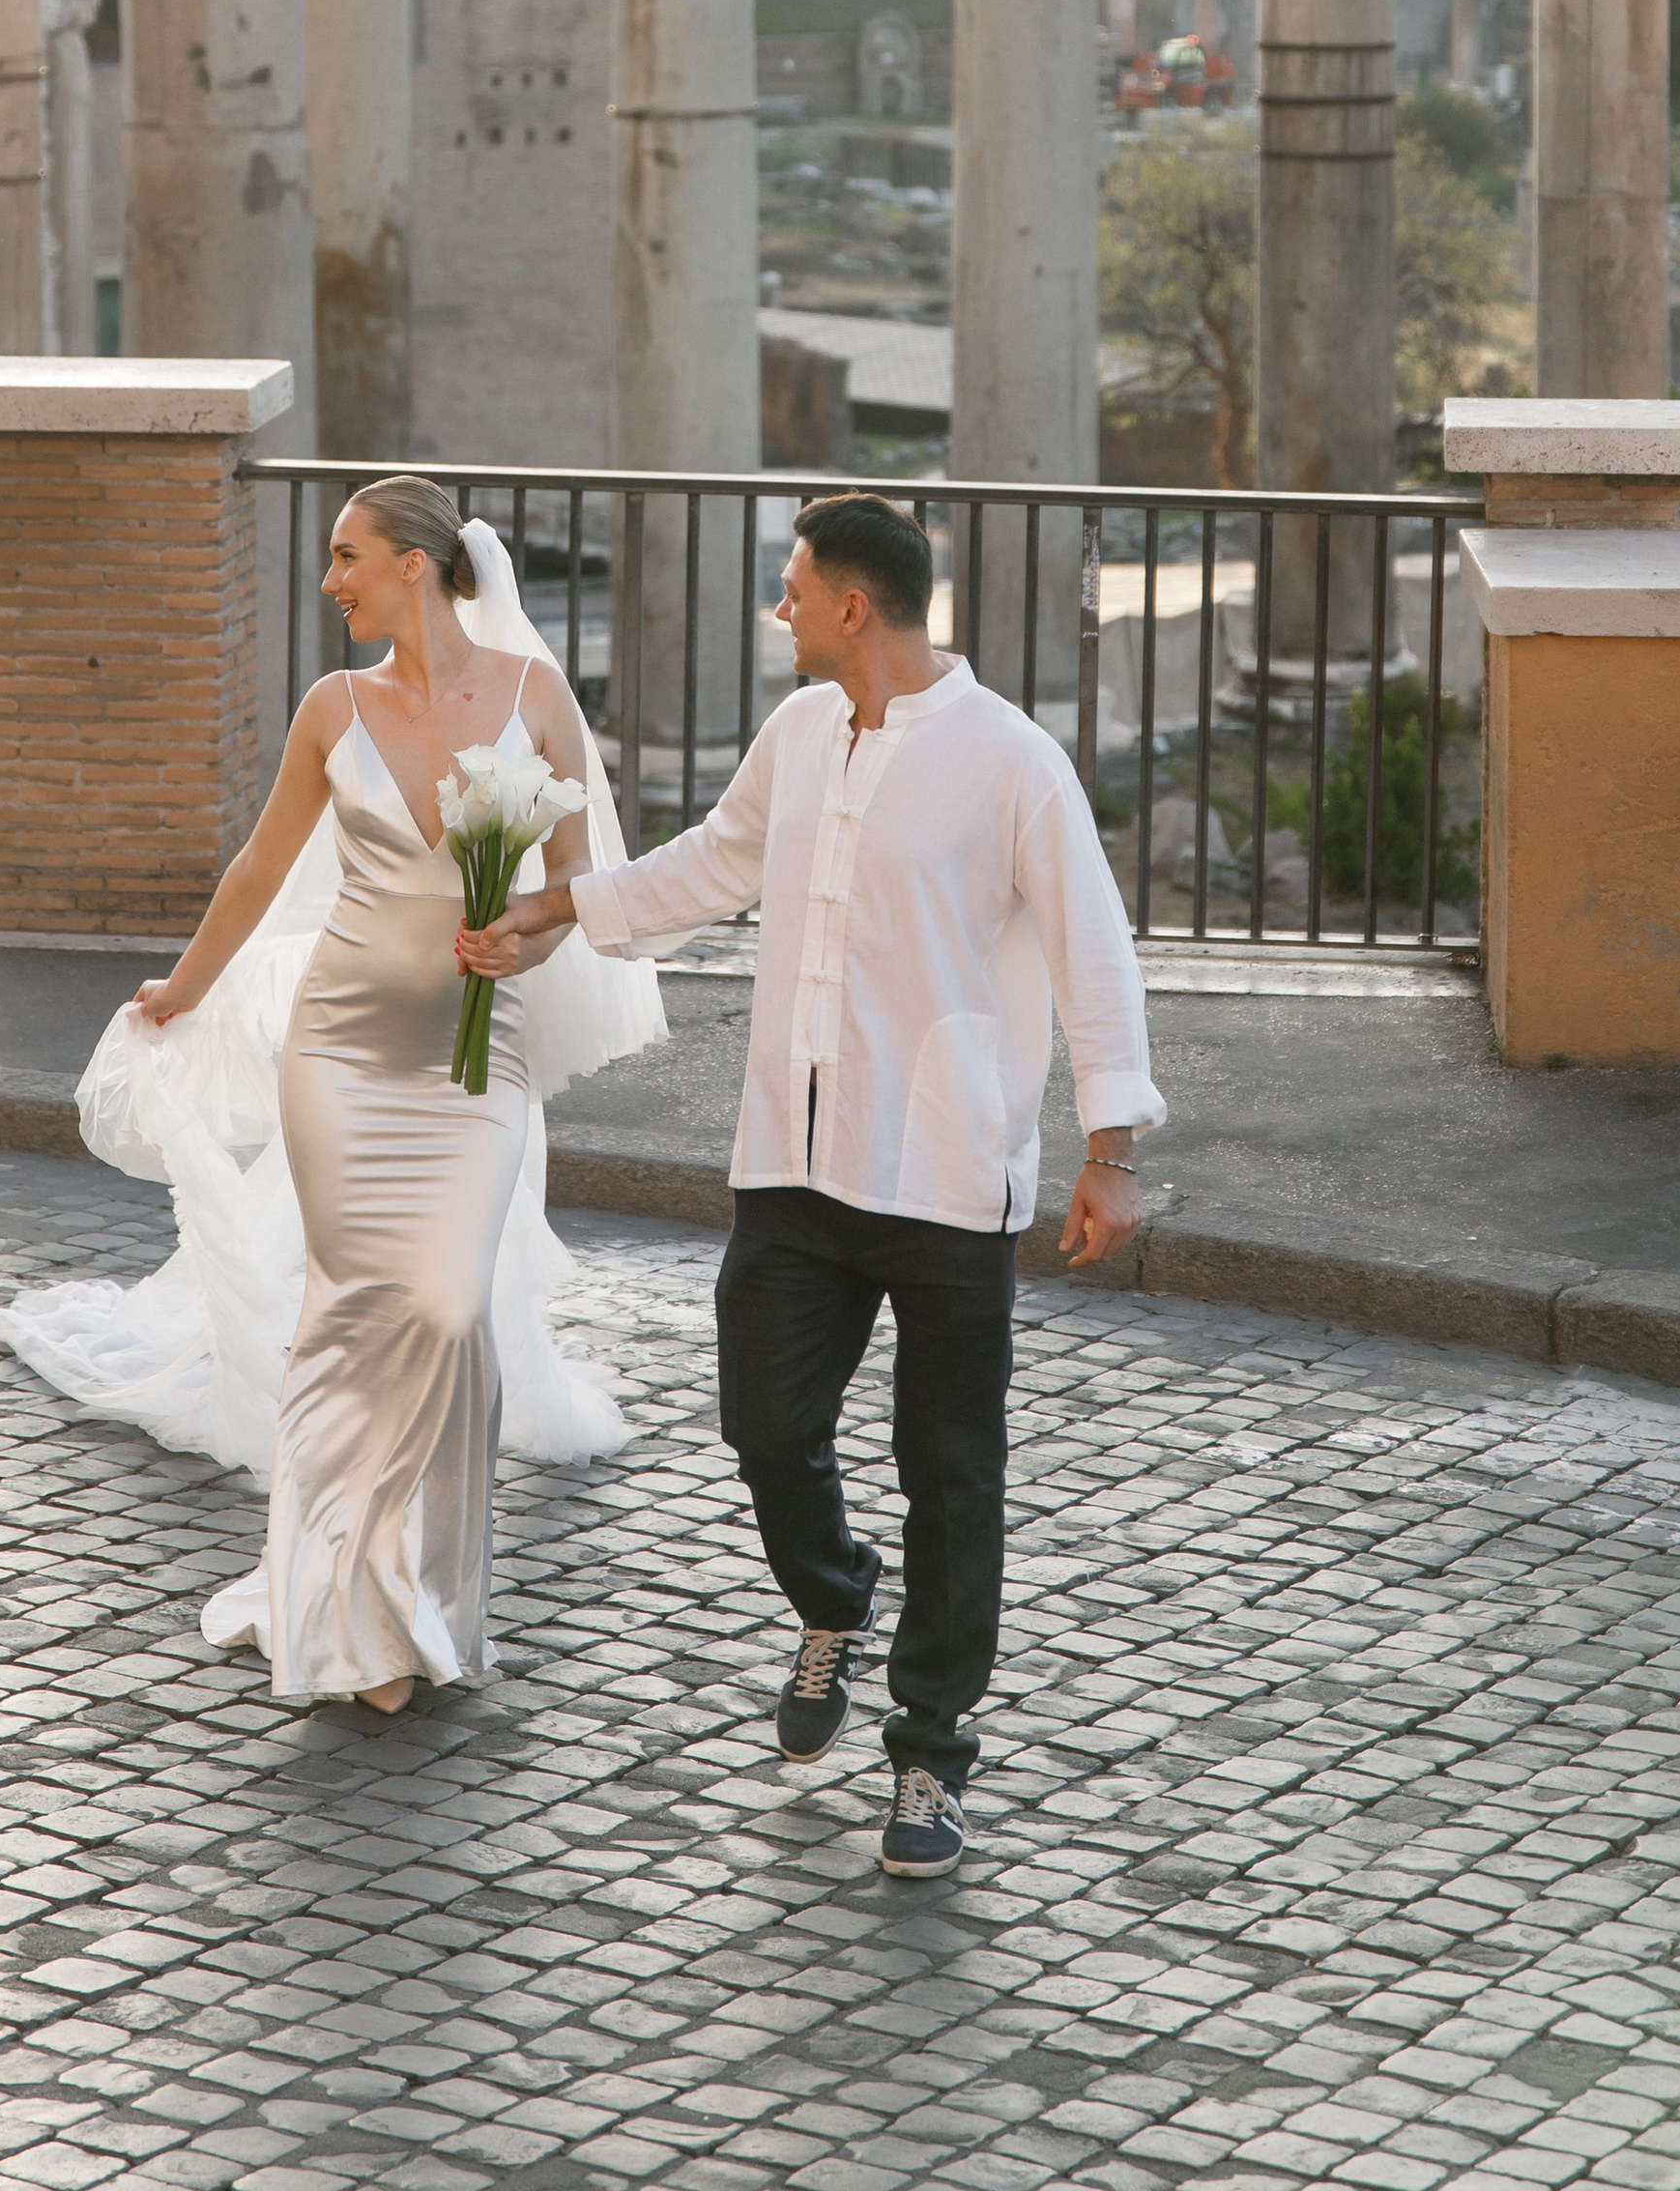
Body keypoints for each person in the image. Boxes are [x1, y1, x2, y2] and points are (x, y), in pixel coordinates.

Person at [464, 489, 1163, 1877]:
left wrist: (1110, 1149)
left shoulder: (1012, 761)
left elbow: (1095, 948)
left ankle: (930, 1752)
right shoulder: (796, 733)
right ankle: (834, 1598)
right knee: (764, 1424)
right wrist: (561, 907)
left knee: (949, 1473)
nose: (778, 610)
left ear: (853, 606)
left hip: (947, 1168)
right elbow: (717, 863)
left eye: (792, 589)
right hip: (794, 1158)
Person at [0, 479, 665, 1714]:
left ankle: (426, 1594)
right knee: (350, 1317)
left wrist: (521, 935)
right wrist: (182, 989)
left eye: (349, 557)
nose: (330, 580)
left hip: (473, 1061)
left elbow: (573, 884)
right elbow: (261, 865)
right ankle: (342, 1612)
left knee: (449, 1312)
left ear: (415, 564)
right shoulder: (332, 706)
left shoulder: (535, 699)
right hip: (341, 1054)